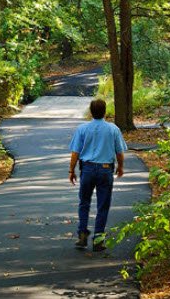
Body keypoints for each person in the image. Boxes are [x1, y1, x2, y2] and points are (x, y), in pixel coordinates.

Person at [68, 98, 126, 251]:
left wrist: (71, 170)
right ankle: (98, 239)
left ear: (91, 112)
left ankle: (82, 234)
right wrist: (120, 167)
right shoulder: (113, 129)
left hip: (87, 169)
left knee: (84, 202)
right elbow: (119, 152)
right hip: (105, 169)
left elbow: (75, 152)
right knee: (103, 205)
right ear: (105, 111)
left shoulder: (82, 129)